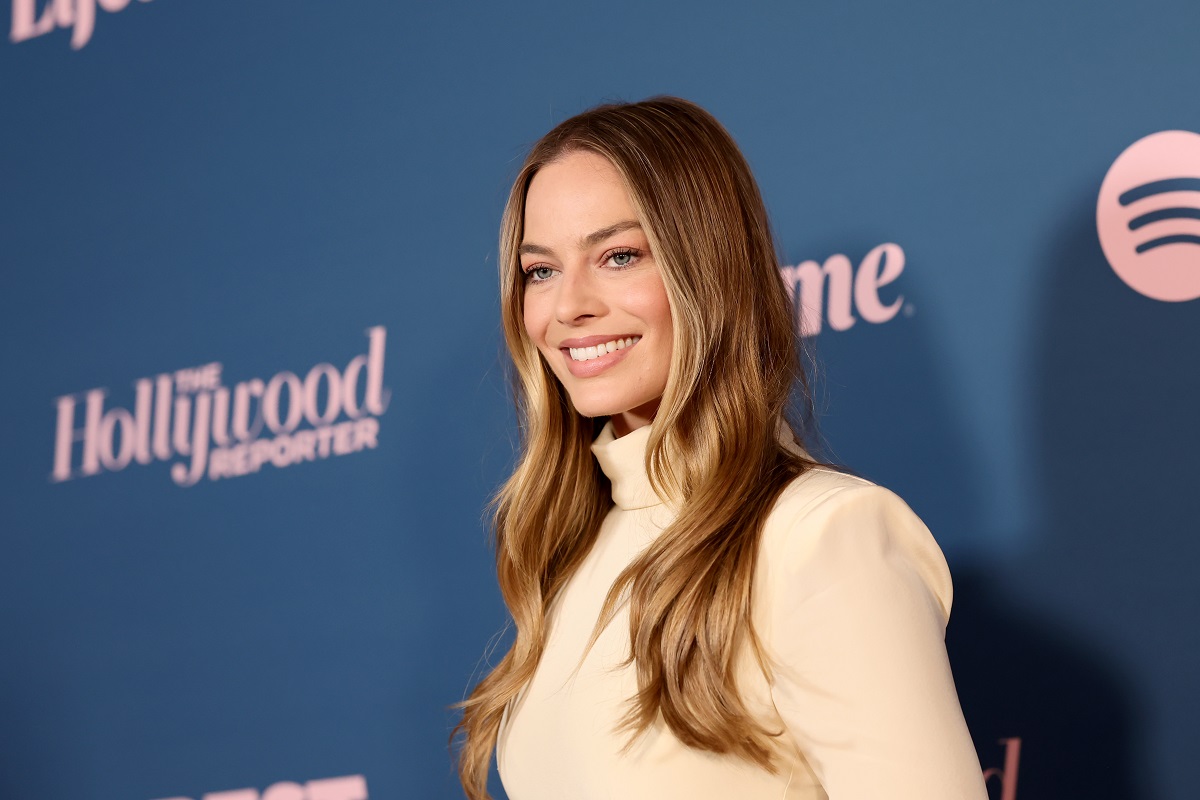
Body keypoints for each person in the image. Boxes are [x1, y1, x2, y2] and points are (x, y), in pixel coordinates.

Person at [454, 96, 987, 800]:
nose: (567, 307)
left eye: (617, 256)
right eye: (540, 271)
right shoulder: (568, 556)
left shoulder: (818, 535)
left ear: (707, 269)